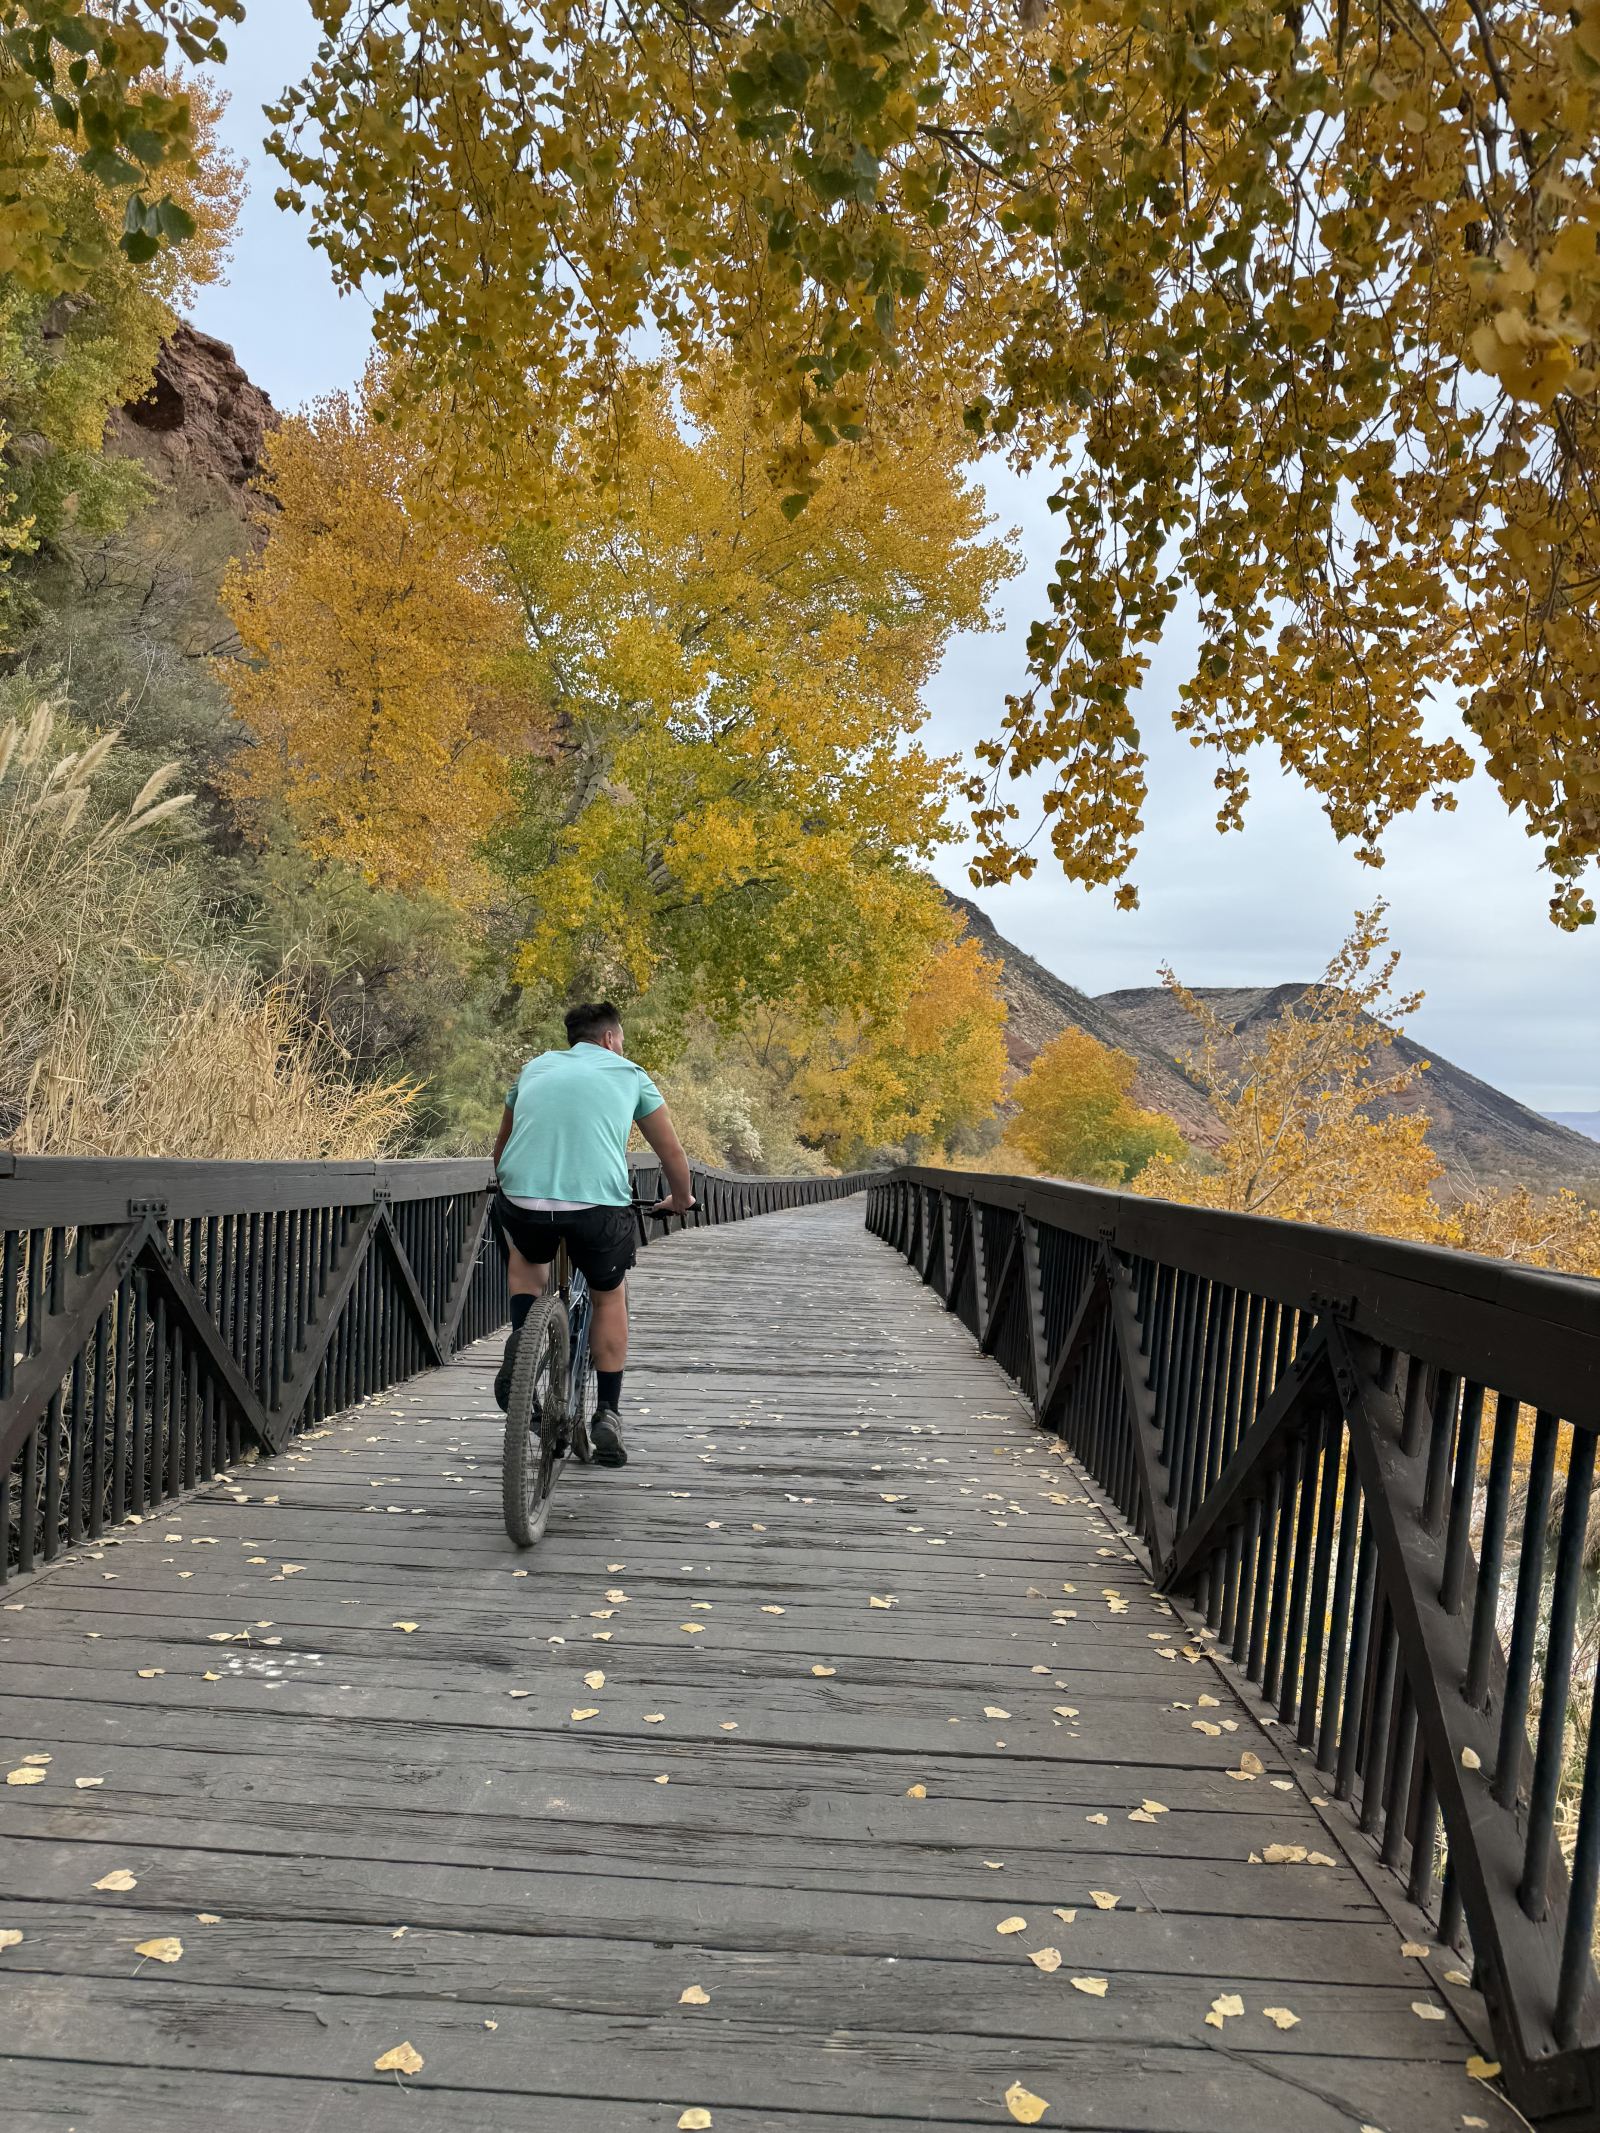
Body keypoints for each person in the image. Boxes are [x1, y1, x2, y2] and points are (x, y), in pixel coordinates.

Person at [489, 1000, 694, 1467]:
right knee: (608, 1295)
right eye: (620, 1040)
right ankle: (607, 1412)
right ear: (608, 1039)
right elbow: (672, 1154)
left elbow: (502, 1147)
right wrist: (680, 1199)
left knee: (526, 1260)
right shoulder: (630, 1073)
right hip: (596, 1209)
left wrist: (515, 1186)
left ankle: (523, 1337)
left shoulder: (533, 1069)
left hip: (523, 1200)